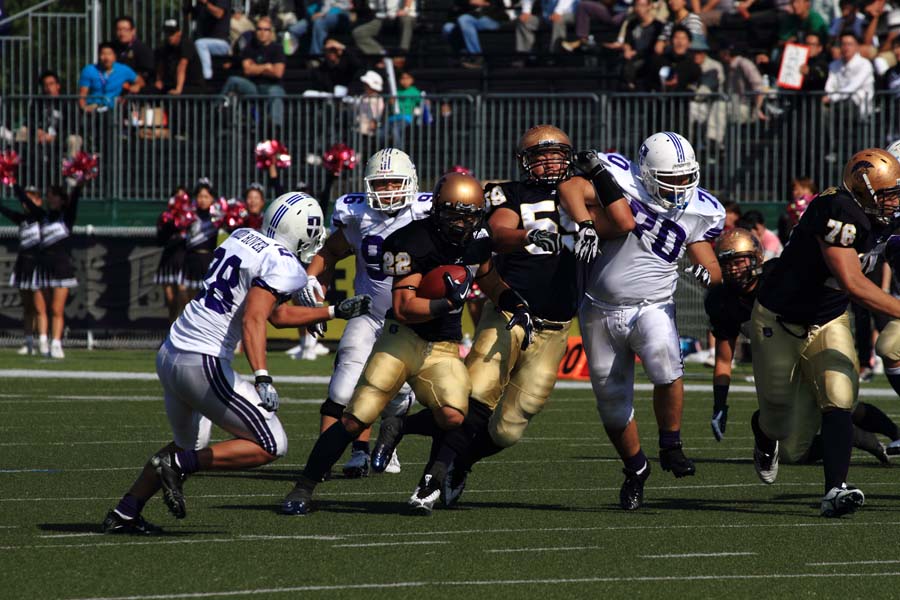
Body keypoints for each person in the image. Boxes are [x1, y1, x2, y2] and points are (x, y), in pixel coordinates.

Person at [101, 192, 373, 535]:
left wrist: (333, 311)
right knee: (272, 443)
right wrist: (263, 377)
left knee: (190, 445)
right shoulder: (283, 262)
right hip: (202, 360)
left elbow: (275, 314)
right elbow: (255, 319)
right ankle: (176, 465)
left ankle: (125, 512)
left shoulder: (241, 236)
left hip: (171, 352)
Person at [280, 173, 534, 516]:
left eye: (469, 216)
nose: (462, 224)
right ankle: (304, 486)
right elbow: (402, 308)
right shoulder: (411, 240)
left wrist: (515, 304)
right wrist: (447, 303)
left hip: (442, 345)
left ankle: (401, 428)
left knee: (454, 415)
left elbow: (487, 277)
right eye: (455, 215)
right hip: (401, 338)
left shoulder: (477, 240)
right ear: (438, 210)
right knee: (356, 418)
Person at [435, 125, 636, 509]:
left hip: (558, 326)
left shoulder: (585, 196)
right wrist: (529, 236)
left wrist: (598, 176)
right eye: (539, 155)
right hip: (511, 311)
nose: (548, 161)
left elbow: (625, 222)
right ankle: (435, 472)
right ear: (524, 162)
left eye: (555, 153)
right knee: (475, 397)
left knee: (509, 428)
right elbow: (497, 233)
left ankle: (461, 462)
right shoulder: (510, 192)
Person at [565, 131, 725, 511]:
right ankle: (636, 469)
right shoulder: (620, 178)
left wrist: (709, 273)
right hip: (598, 308)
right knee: (612, 404)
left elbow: (706, 255)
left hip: (654, 305)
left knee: (666, 366)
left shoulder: (701, 209)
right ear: (647, 173)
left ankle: (671, 444)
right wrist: (585, 223)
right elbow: (572, 185)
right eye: (671, 180)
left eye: (686, 179)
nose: (680, 188)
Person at [749, 148, 900, 517]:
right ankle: (763, 431)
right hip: (779, 320)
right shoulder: (837, 210)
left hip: (829, 319)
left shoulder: (885, 215)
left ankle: (835, 489)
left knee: (840, 396)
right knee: (779, 418)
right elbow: (852, 282)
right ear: (862, 191)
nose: (894, 202)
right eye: (887, 195)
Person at [295, 148, 431, 478]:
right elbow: (329, 252)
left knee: (396, 391)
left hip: (409, 319)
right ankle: (333, 456)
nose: (387, 191)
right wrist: (312, 283)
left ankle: (388, 443)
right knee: (343, 389)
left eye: (394, 183)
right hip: (368, 313)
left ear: (410, 183)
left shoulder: (427, 215)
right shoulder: (358, 217)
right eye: (381, 183)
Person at [706, 228, 892, 463]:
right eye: (728, 263)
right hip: (782, 362)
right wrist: (719, 404)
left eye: (740, 261)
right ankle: (856, 437)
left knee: (843, 402)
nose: (734, 269)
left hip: (810, 343)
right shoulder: (722, 300)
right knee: (791, 452)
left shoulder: (776, 276)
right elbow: (724, 359)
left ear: (756, 257)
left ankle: (894, 436)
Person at [30, 180, 83, 359]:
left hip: (61, 267)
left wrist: (78, 184)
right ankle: (43, 341)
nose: (49, 197)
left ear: (61, 199)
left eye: (53, 194)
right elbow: (26, 202)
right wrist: (11, 181)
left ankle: (56, 343)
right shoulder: (42, 216)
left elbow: (75, 200)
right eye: (48, 195)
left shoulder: (66, 218)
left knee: (56, 309)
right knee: (40, 308)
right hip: (42, 266)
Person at [1, 185, 47, 356]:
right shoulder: (22, 219)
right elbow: (6, 211)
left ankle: (42, 341)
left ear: (39, 201)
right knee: (27, 307)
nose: (26, 204)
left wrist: (14, 185)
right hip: (23, 266)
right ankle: (28, 343)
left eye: (31, 199)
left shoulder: (42, 217)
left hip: (36, 266)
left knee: (39, 307)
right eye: (25, 200)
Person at [222, 16, 287, 129]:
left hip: (271, 85)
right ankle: (216, 109)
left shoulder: (277, 49)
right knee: (233, 80)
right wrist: (266, 67)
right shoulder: (249, 48)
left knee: (275, 92)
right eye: (259, 29)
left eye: (265, 30)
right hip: (253, 87)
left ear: (270, 32)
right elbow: (247, 70)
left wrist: (255, 68)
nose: (262, 32)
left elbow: (277, 73)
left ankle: (275, 127)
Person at [182, 180, 224, 299]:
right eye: (200, 196)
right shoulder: (190, 215)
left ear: (212, 198)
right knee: (188, 298)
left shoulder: (218, 216)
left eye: (206, 196)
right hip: (191, 261)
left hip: (208, 261)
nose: (203, 200)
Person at [155, 187, 190, 324]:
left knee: (184, 295)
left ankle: (185, 328)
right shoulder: (166, 217)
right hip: (168, 260)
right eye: (177, 197)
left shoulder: (190, 217)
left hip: (184, 260)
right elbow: (160, 240)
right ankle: (171, 330)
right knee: (171, 300)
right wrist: (169, 224)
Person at [442, 0, 510, 69]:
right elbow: (456, 7)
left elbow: (496, 6)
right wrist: (470, 2)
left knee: (465, 19)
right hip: (472, 18)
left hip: (491, 18)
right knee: (448, 27)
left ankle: (477, 57)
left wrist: (485, 4)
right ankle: (462, 55)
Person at [77, 42, 138, 112]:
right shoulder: (89, 70)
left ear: (115, 56)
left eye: (109, 54)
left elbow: (140, 81)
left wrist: (135, 86)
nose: (106, 57)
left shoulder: (124, 70)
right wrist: (84, 108)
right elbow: (82, 94)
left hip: (114, 110)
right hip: (94, 108)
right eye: (103, 54)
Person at [154, 19, 207, 95]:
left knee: (174, 97)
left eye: (172, 33)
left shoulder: (186, 44)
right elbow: (161, 65)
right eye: (167, 33)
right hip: (174, 84)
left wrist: (178, 90)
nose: (169, 36)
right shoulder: (166, 46)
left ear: (179, 33)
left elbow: (182, 67)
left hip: (192, 86)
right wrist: (159, 80)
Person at [352, 0, 417, 58]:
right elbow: (373, 8)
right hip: (385, 18)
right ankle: (381, 53)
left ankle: (403, 52)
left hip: (405, 16)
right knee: (358, 32)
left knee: (406, 20)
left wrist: (405, 9)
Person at [190, 0, 231, 80]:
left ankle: (207, 76)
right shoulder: (200, 4)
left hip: (221, 42)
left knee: (200, 44)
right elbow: (191, 17)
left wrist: (205, 3)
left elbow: (219, 14)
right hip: (203, 41)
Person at [114, 15, 154, 90]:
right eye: (119, 30)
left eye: (125, 30)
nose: (122, 33)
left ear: (133, 31)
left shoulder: (142, 49)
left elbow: (147, 72)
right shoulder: (113, 48)